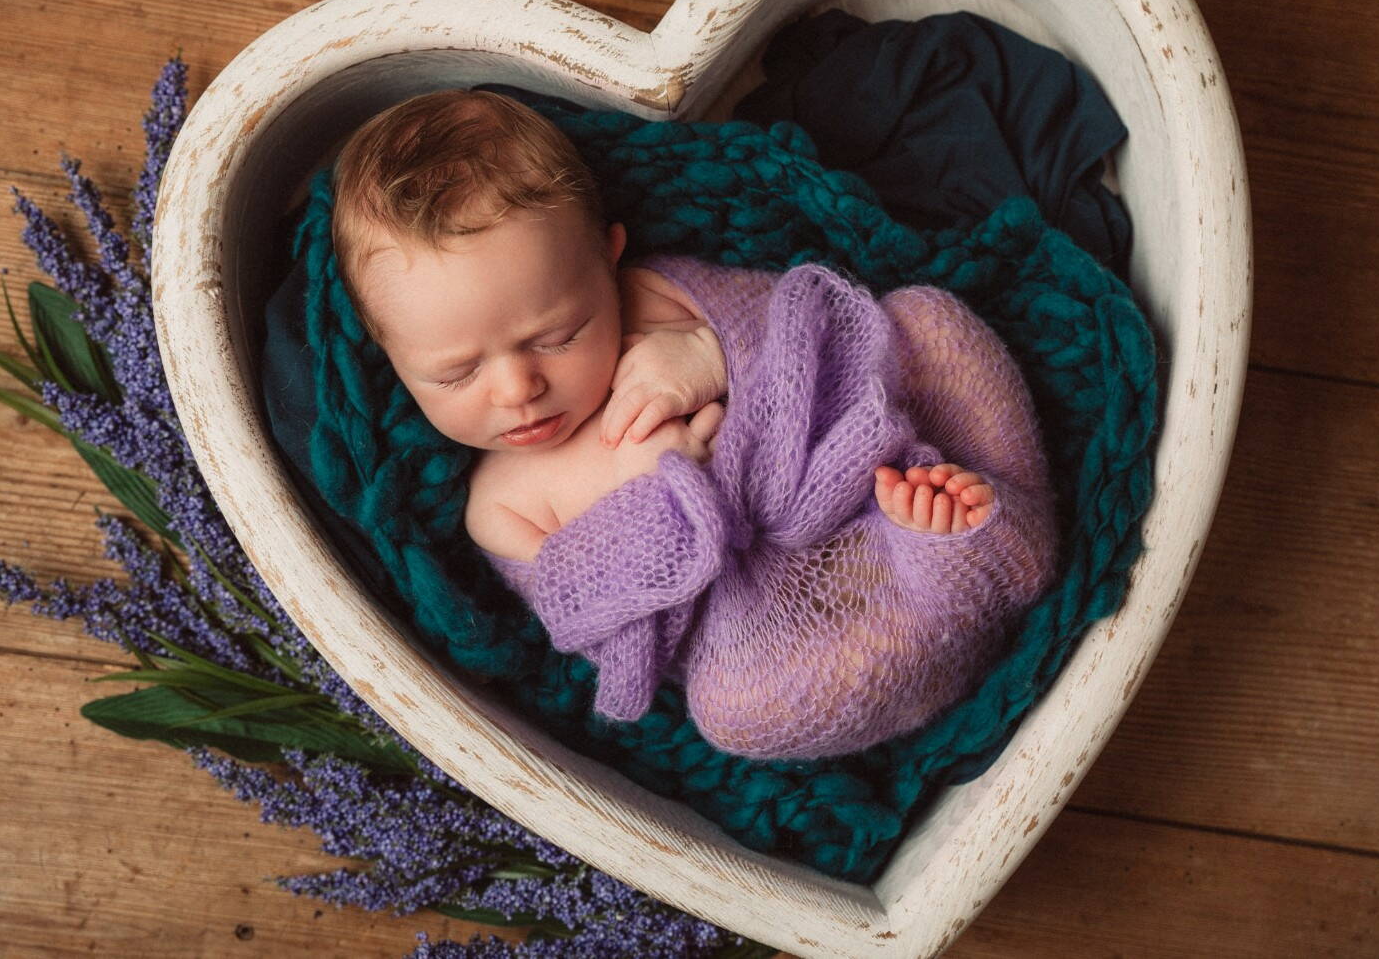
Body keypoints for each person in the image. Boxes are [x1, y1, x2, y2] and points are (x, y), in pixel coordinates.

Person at [330, 88, 1055, 759]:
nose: (519, 387)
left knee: (927, 325)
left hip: (852, 479)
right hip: (765, 617)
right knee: (734, 710)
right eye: (456, 374)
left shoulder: (653, 298)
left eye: (557, 335)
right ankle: (965, 568)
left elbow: (810, 320)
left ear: (606, 261)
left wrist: (710, 351)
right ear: (390, 352)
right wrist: (645, 497)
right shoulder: (501, 503)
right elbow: (582, 611)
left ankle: (991, 525)